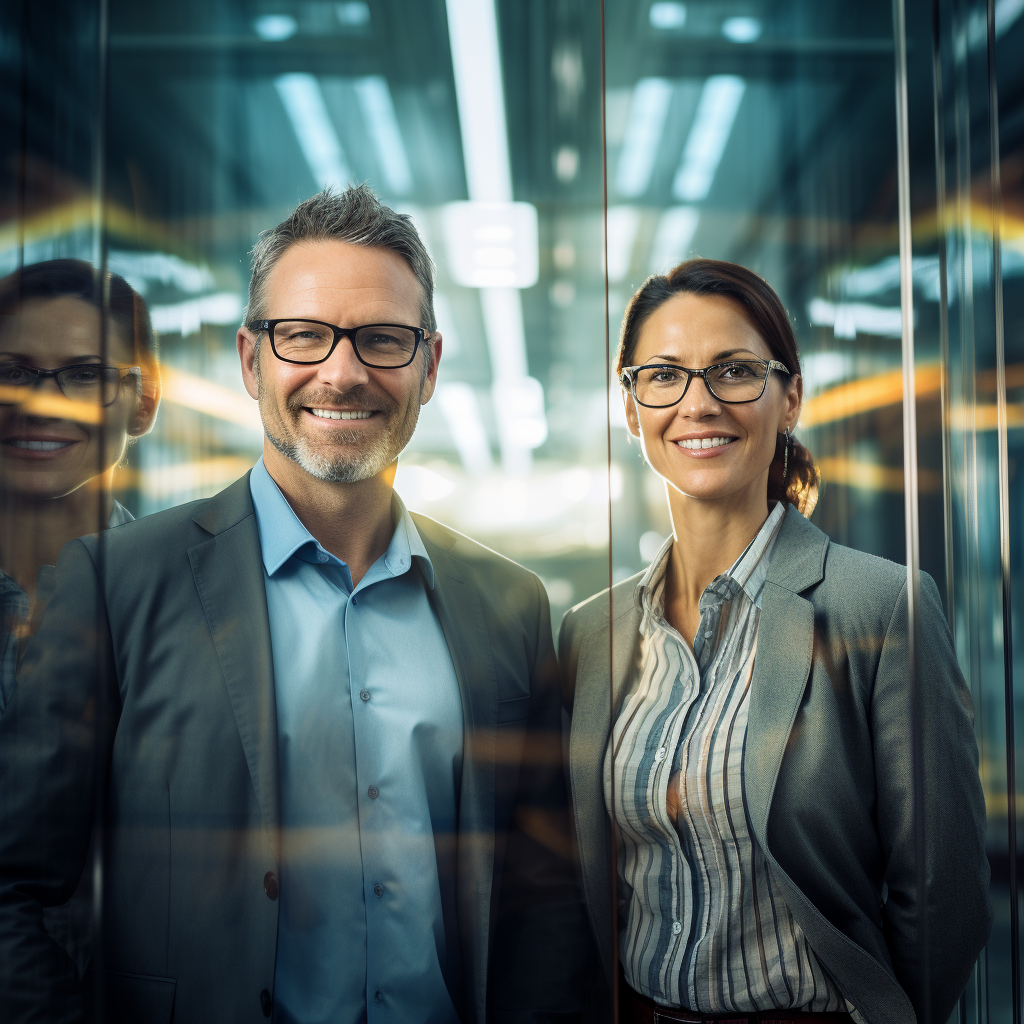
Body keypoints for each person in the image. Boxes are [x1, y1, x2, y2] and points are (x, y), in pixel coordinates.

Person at [0, 186, 585, 1023]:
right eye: (303, 335)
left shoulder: (510, 607)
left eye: (382, 340)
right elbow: (14, 883)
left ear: (428, 364)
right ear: (251, 361)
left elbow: (543, 903)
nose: (341, 373)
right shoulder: (113, 583)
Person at [558, 259, 991, 1024]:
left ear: (789, 398)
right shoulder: (593, 634)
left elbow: (945, 896)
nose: (698, 402)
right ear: (631, 409)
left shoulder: (880, 608)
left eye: (733, 371)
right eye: (663, 376)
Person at [0, 259, 160, 719]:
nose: (41, 406)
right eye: (11, 372)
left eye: (86, 374)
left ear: (143, 403)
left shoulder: (183, 600)